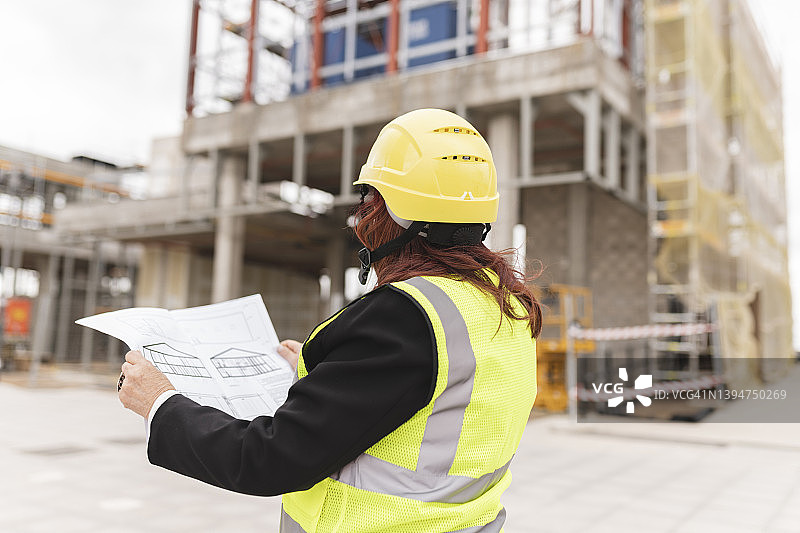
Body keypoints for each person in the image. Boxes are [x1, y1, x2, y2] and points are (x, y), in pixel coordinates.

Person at [119, 108, 542, 532]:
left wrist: (160, 403)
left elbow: (269, 460)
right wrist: (336, 373)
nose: (363, 217)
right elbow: (434, 403)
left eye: (370, 200)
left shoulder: (404, 318)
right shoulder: (505, 304)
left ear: (396, 214)